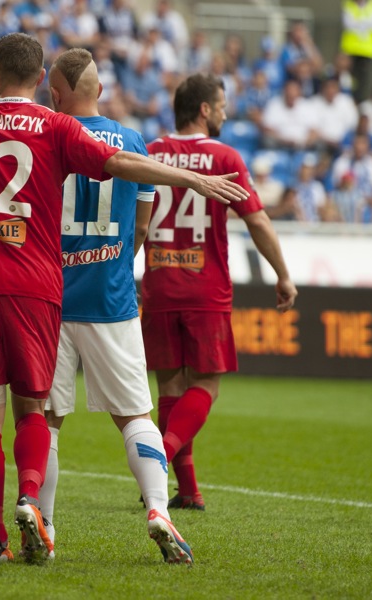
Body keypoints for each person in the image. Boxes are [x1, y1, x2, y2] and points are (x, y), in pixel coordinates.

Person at [0, 32, 248, 564]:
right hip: (67, 295)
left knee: (8, 417)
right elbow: (129, 184)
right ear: (41, 81)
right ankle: (151, 508)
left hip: (4, 289)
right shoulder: (73, 131)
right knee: (108, 414)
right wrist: (191, 183)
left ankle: (19, 530)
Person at [38, 48, 193, 565]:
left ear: (55, 95)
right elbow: (144, 227)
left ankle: (46, 524)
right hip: (112, 299)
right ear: (99, 91)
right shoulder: (129, 141)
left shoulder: (45, 137)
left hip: (51, 300)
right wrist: (113, 260)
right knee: (135, 417)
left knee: (47, 420)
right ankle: (157, 510)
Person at [143, 73, 297, 511]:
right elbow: (257, 220)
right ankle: (162, 456)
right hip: (204, 288)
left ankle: (188, 490)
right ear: (205, 110)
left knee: (170, 386)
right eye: (223, 105)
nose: (227, 113)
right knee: (205, 385)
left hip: (158, 284)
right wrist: (283, 275)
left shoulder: (151, 153)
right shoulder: (224, 157)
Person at [340, 0, 372, 103]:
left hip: (368, 51)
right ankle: (349, 99)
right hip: (350, 50)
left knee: (364, 80)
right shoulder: (348, 4)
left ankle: (361, 100)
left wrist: (359, 24)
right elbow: (348, 24)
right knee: (349, 78)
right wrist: (365, 24)